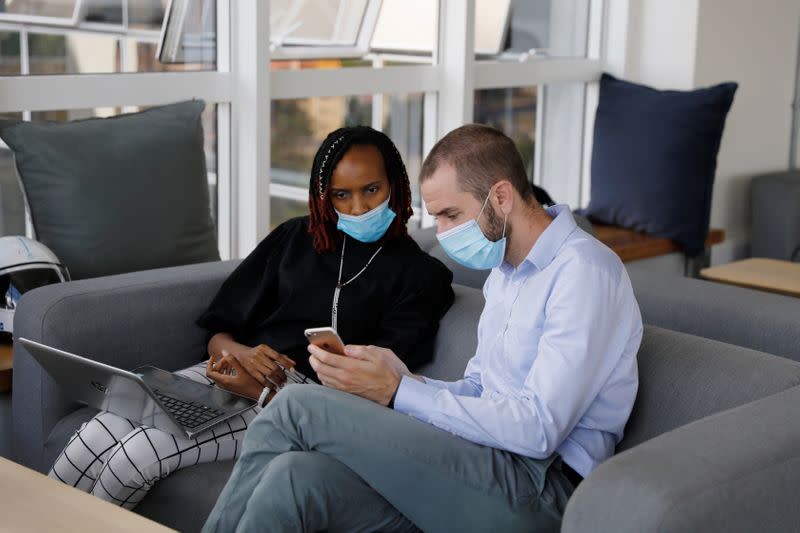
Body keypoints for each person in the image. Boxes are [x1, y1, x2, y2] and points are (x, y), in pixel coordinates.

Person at [203, 124, 643, 533]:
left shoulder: (583, 272)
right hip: (481, 463)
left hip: (541, 489)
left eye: (451, 215)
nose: (443, 233)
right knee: (295, 477)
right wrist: (404, 379)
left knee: (298, 405)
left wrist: (398, 394)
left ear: (502, 197)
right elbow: (480, 389)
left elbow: (538, 430)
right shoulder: (507, 273)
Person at [47, 126, 454, 510]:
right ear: (323, 197)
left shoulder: (423, 277)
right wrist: (238, 354)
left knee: (138, 454)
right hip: (234, 372)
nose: (359, 207)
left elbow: (380, 389)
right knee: (98, 430)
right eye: (341, 195)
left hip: (305, 405)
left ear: (396, 184)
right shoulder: (295, 238)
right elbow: (218, 332)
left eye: (371, 189)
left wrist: (261, 391)